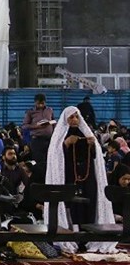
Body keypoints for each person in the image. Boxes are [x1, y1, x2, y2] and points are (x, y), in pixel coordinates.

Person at [45, 105, 117, 254]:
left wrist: (93, 145)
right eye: (71, 117)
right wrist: (66, 144)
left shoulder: (86, 132)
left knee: (89, 202)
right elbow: (55, 156)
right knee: (72, 206)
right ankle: (73, 237)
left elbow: (96, 156)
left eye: (77, 116)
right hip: (69, 175)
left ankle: (88, 237)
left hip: (87, 175)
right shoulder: (60, 135)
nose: (74, 120)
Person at [21, 93, 55, 176]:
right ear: (35, 102)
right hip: (37, 141)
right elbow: (24, 126)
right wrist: (36, 126)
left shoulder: (49, 110)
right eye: (38, 103)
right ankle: (39, 179)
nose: (40, 105)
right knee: (39, 162)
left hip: (49, 140)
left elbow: (53, 121)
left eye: (42, 103)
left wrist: (51, 124)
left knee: (50, 160)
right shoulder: (30, 112)